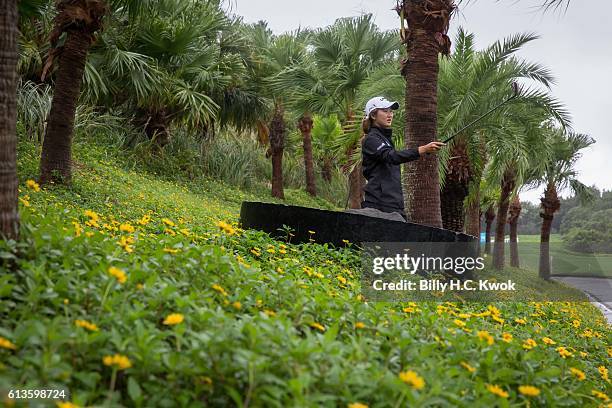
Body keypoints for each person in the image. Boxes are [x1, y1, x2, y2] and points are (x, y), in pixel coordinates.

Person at [361, 96, 445, 221]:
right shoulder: (371, 139)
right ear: (373, 115)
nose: (390, 115)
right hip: (378, 205)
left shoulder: (385, 139)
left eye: (391, 111)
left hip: (394, 204)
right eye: (385, 111)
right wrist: (422, 149)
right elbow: (392, 157)